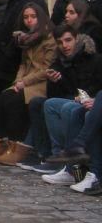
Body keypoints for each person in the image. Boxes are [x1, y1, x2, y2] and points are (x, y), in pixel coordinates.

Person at [0, 4, 55, 164]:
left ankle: (17, 145)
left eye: (33, 17)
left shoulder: (49, 39)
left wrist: (23, 82)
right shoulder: (27, 39)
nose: (29, 20)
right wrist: (18, 82)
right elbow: (23, 64)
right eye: (26, 17)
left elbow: (47, 69)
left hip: (41, 82)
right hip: (27, 81)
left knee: (14, 102)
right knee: (1, 99)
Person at [41, 24, 102, 188]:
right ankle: (64, 162)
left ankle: (77, 159)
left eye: (68, 40)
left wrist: (91, 99)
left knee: (75, 110)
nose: (65, 45)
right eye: (60, 42)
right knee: (49, 104)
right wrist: (56, 81)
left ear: (77, 39)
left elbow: (94, 86)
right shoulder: (60, 61)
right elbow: (60, 92)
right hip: (75, 98)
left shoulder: (93, 58)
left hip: (88, 99)